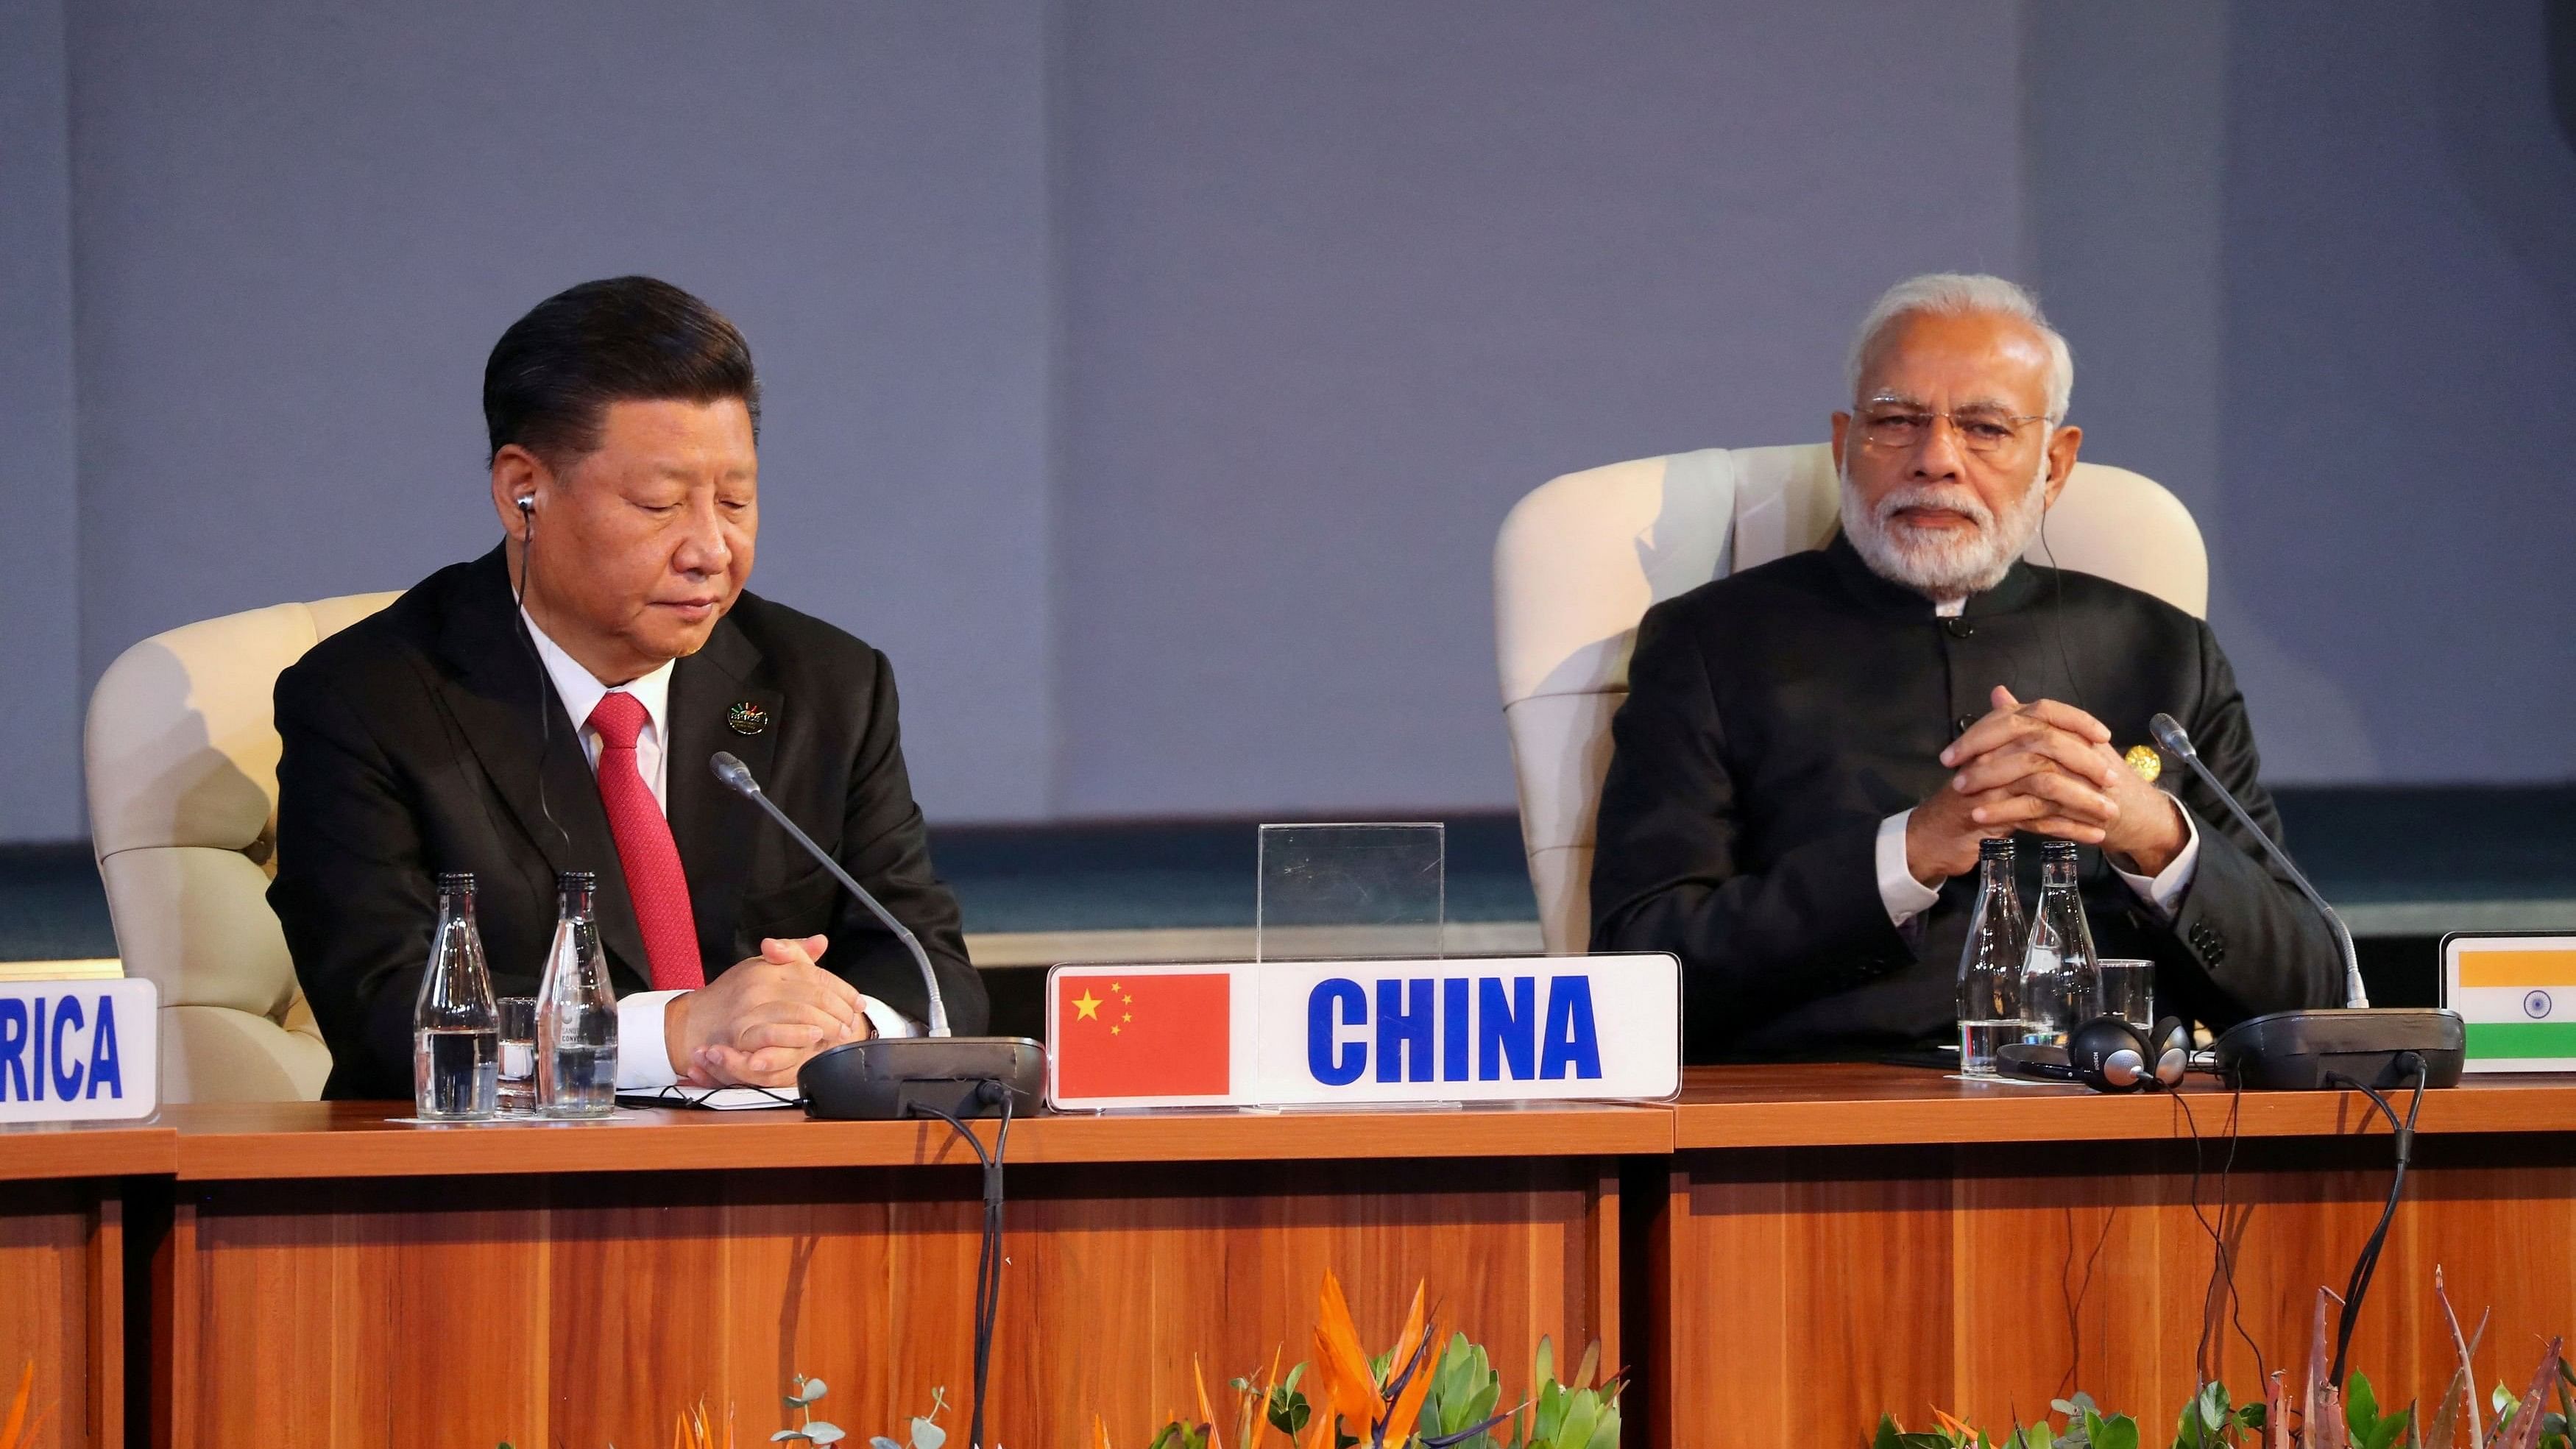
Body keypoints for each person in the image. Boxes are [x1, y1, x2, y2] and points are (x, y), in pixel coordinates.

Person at [1588, 273, 2342, 1060]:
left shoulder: (2162, 652)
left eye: (1983, 428)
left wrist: (2149, 833)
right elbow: (1636, 977)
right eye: (1896, 421)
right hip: (1815, 1135)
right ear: (1844, 443)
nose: (1934, 459)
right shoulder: (1710, 645)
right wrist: (1908, 852)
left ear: (2053, 464)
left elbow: (2310, 995)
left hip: (2115, 1137)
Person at [272, 276, 986, 1099]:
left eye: (734, 500)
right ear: (521, 492)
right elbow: (386, 1013)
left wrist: (841, 1030)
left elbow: (931, 970)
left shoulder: (826, 684)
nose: (711, 549)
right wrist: (677, 1032)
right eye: (659, 505)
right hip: (499, 1200)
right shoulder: (369, 701)